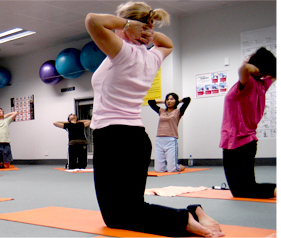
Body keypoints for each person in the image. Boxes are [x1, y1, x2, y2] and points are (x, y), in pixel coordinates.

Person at [86, 2, 224, 237]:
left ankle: (184, 221)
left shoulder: (122, 51)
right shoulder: (151, 57)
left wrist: (130, 26)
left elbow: (92, 20)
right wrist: (146, 31)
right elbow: (167, 43)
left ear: (127, 25)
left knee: (115, 217)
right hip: (136, 139)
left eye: (121, 23)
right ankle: (192, 212)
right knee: (132, 208)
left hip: (113, 139)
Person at [220, 47, 277, 198]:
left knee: (243, 191)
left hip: (237, 144)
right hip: (246, 144)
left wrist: (254, 66)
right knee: (246, 189)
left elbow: (244, 68)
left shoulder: (249, 83)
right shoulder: (263, 85)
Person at [148, 93, 191, 172]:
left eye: (171, 99)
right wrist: (164, 101)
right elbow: (150, 102)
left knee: (172, 169)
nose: (169, 101)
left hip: (171, 140)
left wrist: (178, 101)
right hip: (159, 140)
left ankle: (180, 166)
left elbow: (187, 100)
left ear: (176, 101)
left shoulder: (178, 112)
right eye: (167, 99)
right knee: (159, 169)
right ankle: (170, 166)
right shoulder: (161, 111)